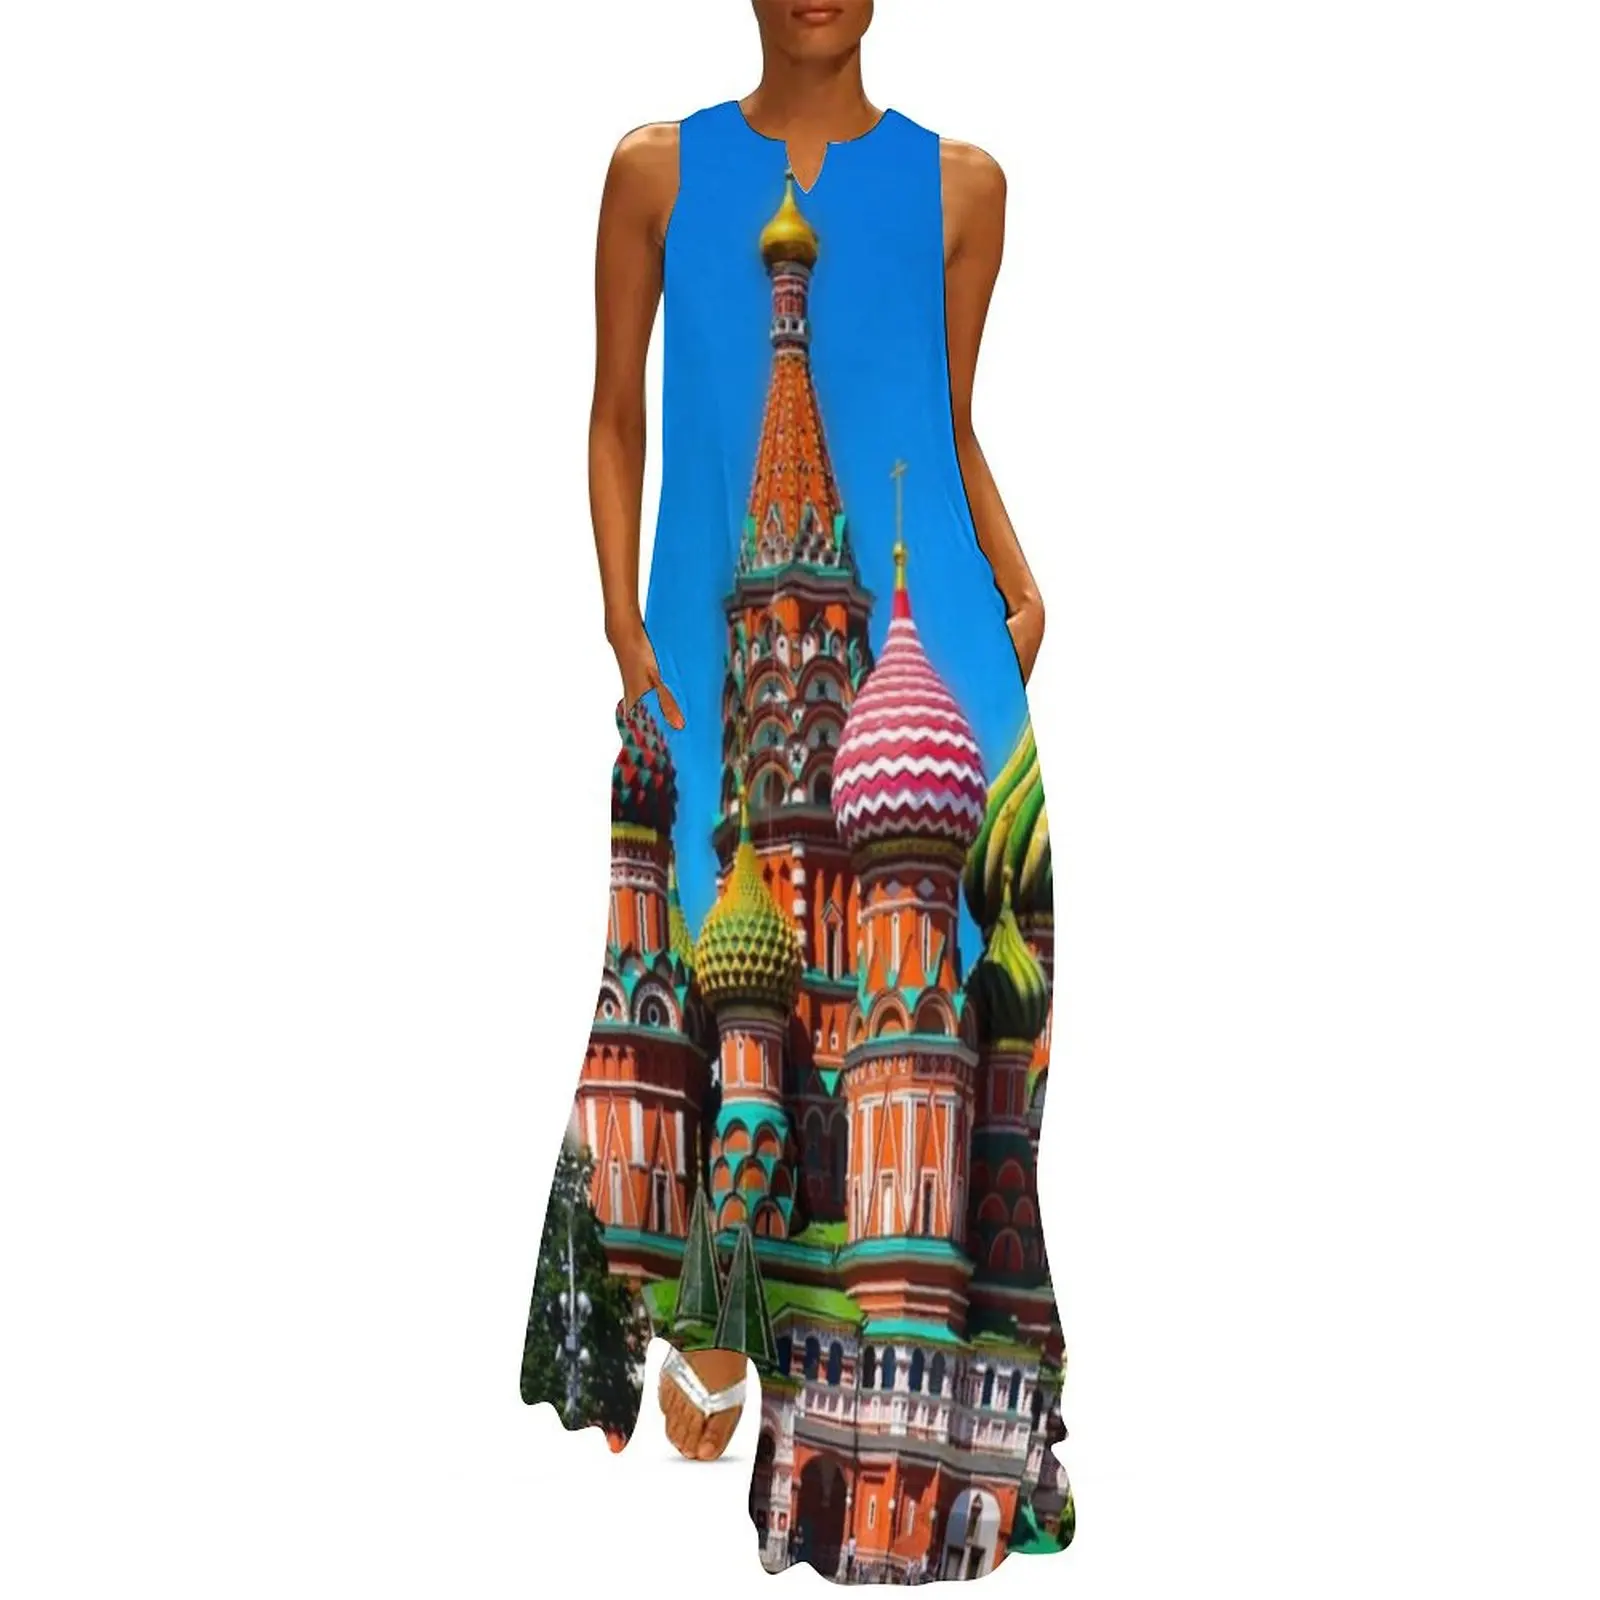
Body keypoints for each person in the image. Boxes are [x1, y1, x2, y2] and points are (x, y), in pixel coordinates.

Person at [525, 0, 1065, 1581]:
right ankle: (719, 1344)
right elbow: (616, 408)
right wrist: (621, 622)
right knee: (696, 1010)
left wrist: (1024, 586)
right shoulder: (657, 170)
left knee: (969, 1034)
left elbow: (945, 423)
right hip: (720, 675)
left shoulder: (964, 187)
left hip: (923, 678)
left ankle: (920, 1422)